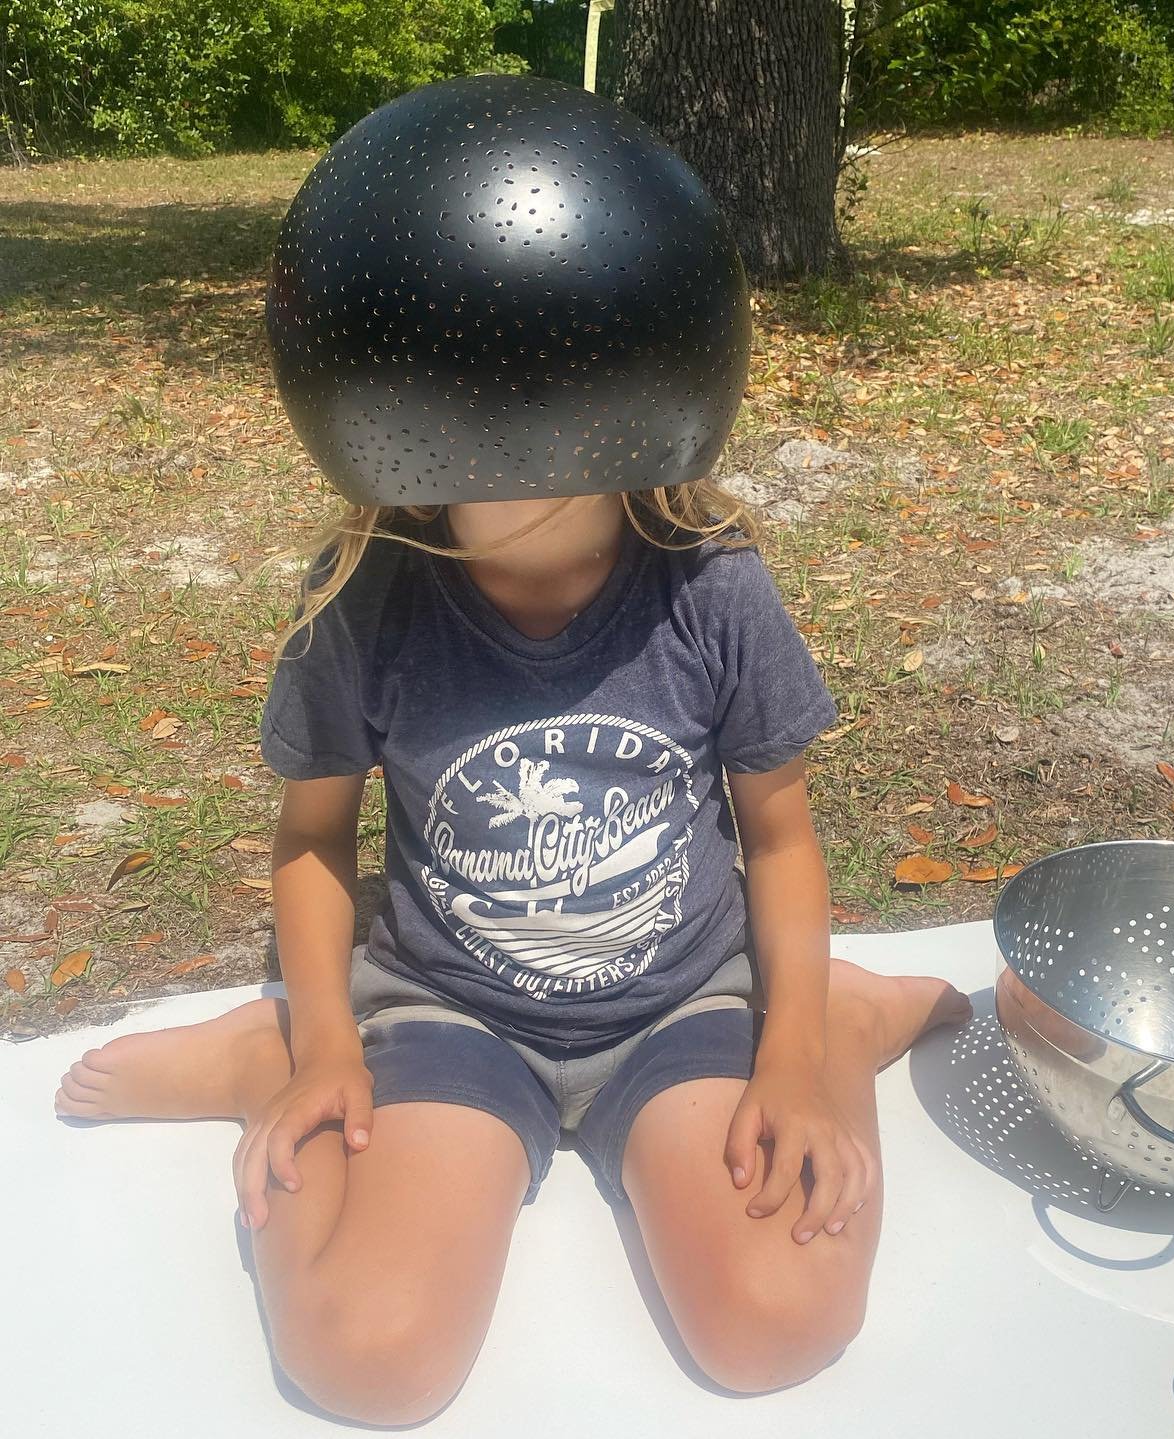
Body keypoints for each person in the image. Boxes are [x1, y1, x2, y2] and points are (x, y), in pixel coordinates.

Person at [53, 74, 972, 1426]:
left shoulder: (709, 587)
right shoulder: (364, 600)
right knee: (368, 1362)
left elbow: (778, 831)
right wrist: (321, 1046)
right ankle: (262, 1049)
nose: (502, 453)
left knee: (774, 1325)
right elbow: (314, 841)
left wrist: (785, 1061)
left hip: (682, 1003)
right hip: (454, 1012)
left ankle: (831, 1017)